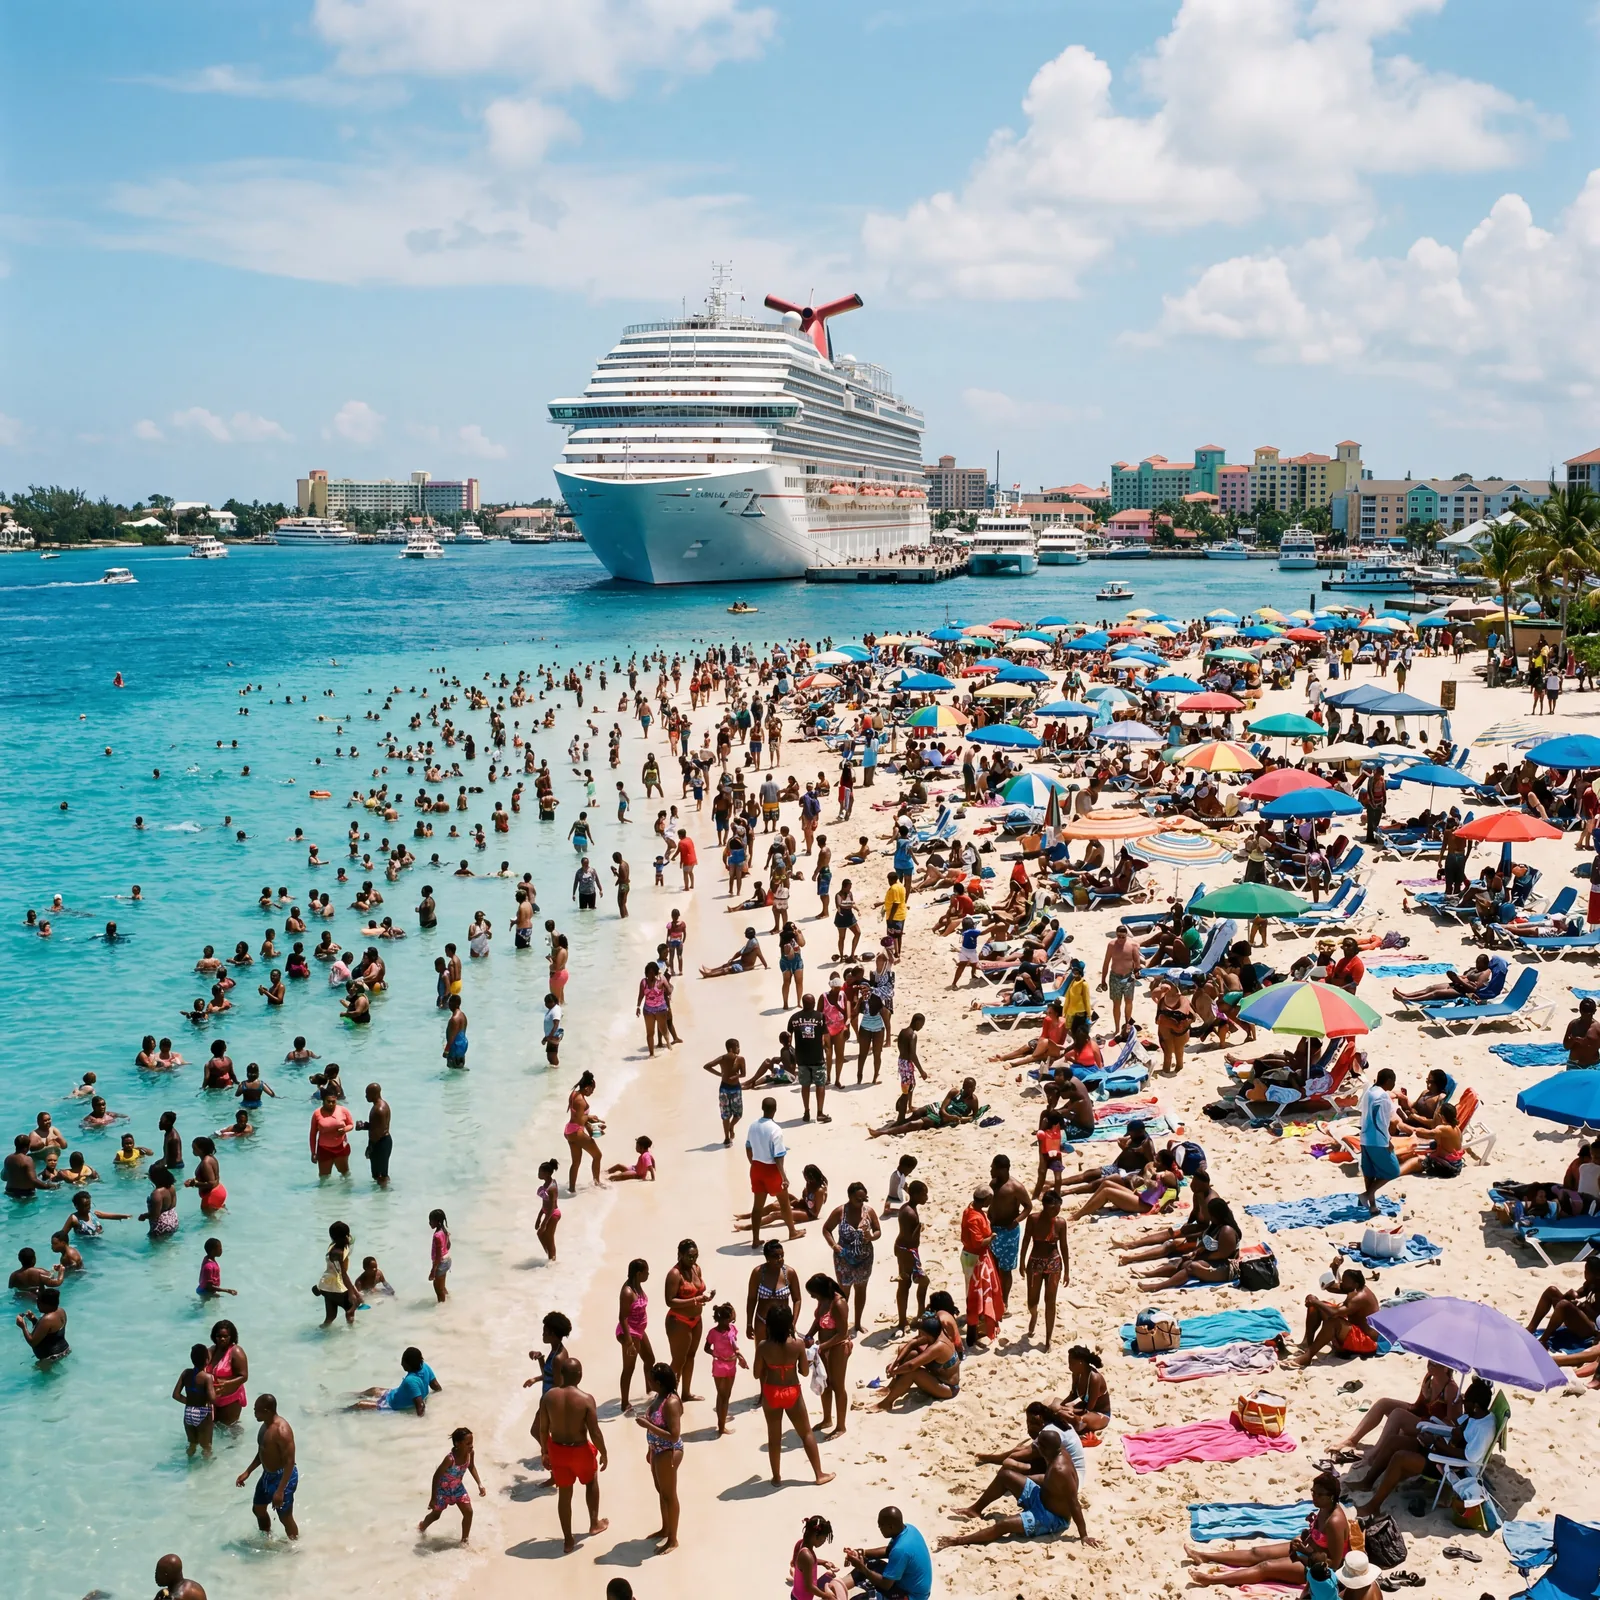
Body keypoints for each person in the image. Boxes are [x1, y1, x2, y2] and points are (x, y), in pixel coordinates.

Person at [938, 1423, 1096, 1548]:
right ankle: (975, 1510)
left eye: (1039, 1446)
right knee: (1006, 1475)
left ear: (1046, 1449)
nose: (1036, 1448)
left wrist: (1083, 1535)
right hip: (1042, 1497)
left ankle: (958, 1541)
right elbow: (1049, 1481)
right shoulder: (1057, 1451)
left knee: (1004, 1525)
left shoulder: (1060, 1470)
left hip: (1051, 1517)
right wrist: (1024, 1479)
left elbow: (1074, 1502)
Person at [1353, 1377, 1496, 1515]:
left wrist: (1435, 1445)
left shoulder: (1483, 1430)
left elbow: (1467, 1457)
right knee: (1394, 1441)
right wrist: (1433, 1436)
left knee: (1400, 1458)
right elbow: (1457, 1432)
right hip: (1442, 1451)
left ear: (1476, 1406)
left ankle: (1373, 1506)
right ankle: (1367, 1482)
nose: (1463, 1403)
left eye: (1466, 1402)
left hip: (1450, 1467)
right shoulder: (1477, 1416)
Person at [1183, 1469, 1349, 1587]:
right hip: (1307, 1550)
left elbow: (1334, 1563)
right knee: (1256, 1552)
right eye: (1313, 1492)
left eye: (1319, 1494)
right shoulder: (1324, 1507)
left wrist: (1306, 1553)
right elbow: (1315, 1535)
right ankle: (1204, 1556)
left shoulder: (1334, 1522)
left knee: (1266, 1567)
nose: (1314, 1497)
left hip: (1317, 1567)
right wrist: (1302, 1536)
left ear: (1331, 1497)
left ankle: (1211, 1580)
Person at [751, 1305, 834, 1485]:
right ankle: (819, 1474)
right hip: (792, 1392)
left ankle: (776, 1477)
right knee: (806, 1433)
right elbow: (804, 1372)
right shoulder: (797, 1344)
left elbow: (757, 1373)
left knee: (774, 1437)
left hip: (771, 1392)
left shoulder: (763, 1346)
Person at [537, 1357, 608, 1552]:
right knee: (591, 1481)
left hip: (558, 1451)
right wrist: (603, 1451)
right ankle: (594, 1524)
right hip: (580, 1450)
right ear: (580, 1375)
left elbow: (544, 1429)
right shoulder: (586, 1399)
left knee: (565, 1494)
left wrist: (544, 1452)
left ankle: (568, 1539)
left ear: (561, 1375)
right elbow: (594, 1431)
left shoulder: (549, 1397)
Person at [636, 1361, 684, 1553]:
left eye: (651, 1381)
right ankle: (666, 1528)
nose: (648, 1383)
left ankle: (673, 1539)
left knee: (669, 1495)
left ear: (659, 1382)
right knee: (661, 1491)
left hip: (668, 1451)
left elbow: (674, 1435)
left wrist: (647, 1426)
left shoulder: (671, 1402)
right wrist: (650, 1449)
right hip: (656, 1450)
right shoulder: (659, 1396)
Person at [237, 1394, 298, 1539]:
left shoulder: (282, 1431)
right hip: (267, 1475)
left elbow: (290, 1462)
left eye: (256, 1410)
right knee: (258, 1509)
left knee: (285, 1517)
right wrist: (248, 1471)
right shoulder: (264, 1426)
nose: (254, 1413)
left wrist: (280, 1490)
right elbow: (262, 1452)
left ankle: (295, 1547)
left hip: (283, 1477)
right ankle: (266, 1537)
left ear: (267, 1411)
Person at [1289, 1268, 1379, 1367]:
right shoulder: (1354, 1288)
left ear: (1355, 1284)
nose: (1341, 1283)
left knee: (1333, 1321)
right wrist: (1335, 1267)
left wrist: (1315, 1301)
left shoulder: (1359, 1297)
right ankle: (1307, 1343)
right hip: (1355, 1331)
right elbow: (1330, 1287)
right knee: (1317, 1307)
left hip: (1366, 1342)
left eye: (1345, 1282)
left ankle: (1307, 1357)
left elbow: (1334, 1313)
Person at [844, 1506, 934, 1600]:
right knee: (871, 1564)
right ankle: (838, 1586)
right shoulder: (909, 1529)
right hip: (906, 1582)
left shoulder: (900, 1550)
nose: (879, 1528)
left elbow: (885, 1584)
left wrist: (862, 1568)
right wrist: (862, 1552)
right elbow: (889, 1551)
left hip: (911, 1595)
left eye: (880, 1525)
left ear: (891, 1527)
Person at [747, 1096, 802, 1249]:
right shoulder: (775, 1129)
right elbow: (778, 1156)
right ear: (775, 1110)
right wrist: (784, 1177)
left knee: (757, 1207)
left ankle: (755, 1239)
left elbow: (748, 1147)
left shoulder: (753, 1126)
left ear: (762, 1108)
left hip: (756, 1168)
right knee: (784, 1203)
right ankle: (792, 1232)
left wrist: (753, 1163)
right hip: (771, 1170)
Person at [419, 1426, 485, 1543]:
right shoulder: (450, 1459)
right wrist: (433, 1498)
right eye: (468, 1443)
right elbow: (436, 1477)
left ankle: (464, 1541)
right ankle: (421, 1527)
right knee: (436, 1515)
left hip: (458, 1488)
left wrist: (479, 1484)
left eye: (472, 1443)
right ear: (458, 1444)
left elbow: (471, 1466)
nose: (471, 1446)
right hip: (442, 1491)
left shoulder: (471, 1453)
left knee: (468, 1512)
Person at [1020, 1190, 1068, 1350]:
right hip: (1035, 1262)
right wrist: (1022, 1261)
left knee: (1050, 1301)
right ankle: (1034, 1315)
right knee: (1032, 1300)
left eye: (1058, 1208)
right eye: (1053, 1208)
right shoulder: (1033, 1219)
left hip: (1054, 1263)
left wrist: (1067, 1270)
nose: (1056, 1211)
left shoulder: (1060, 1223)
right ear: (1045, 1207)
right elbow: (1026, 1240)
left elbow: (1064, 1247)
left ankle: (1048, 1338)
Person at [1357, 1067, 1399, 1217]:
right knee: (1393, 1171)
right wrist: (1387, 1140)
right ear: (1388, 1081)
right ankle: (1366, 1195)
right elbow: (1380, 1121)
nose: (1394, 1085)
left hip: (1365, 1137)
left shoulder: (1369, 1092)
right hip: (1377, 1140)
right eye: (1393, 1081)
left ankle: (1372, 1205)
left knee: (1369, 1173)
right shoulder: (1383, 1097)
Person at [352, 1345, 441, 1414]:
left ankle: (340, 1411)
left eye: (403, 1361)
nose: (401, 1363)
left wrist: (420, 1422)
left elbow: (420, 1405)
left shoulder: (411, 1381)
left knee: (360, 1405)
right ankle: (352, 1395)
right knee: (374, 1390)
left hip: (392, 1404)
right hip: (395, 1393)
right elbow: (436, 1386)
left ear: (408, 1365)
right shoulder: (425, 1367)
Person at [791, 1513, 850, 1600]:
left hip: (797, 1594)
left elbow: (802, 1564)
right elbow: (809, 1587)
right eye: (824, 1538)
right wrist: (826, 1596)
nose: (824, 1542)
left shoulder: (801, 1544)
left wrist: (824, 1562)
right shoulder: (807, 1556)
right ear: (815, 1536)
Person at [1100, 924, 1141, 1033]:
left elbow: (1137, 962)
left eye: (1123, 937)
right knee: (1116, 1004)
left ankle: (1127, 1025)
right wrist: (1103, 980)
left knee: (1129, 1002)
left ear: (1126, 936)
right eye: (1119, 936)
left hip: (1128, 977)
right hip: (1115, 977)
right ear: (1116, 935)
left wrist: (1137, 972)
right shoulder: (1111, 945)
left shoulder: (1133, 945)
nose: (1121, 939)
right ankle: (1117, 1028)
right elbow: (1106, 963)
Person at [701, 925, 768, 978]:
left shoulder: (756, 948)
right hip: (741, 962)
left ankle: (708, 975)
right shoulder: (750, 942)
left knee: (727, 969)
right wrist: (732, 959)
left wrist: (766, 966)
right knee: (725, 965)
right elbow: (740, 953)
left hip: (746, 966)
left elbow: (761, 956)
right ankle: (711, 970)